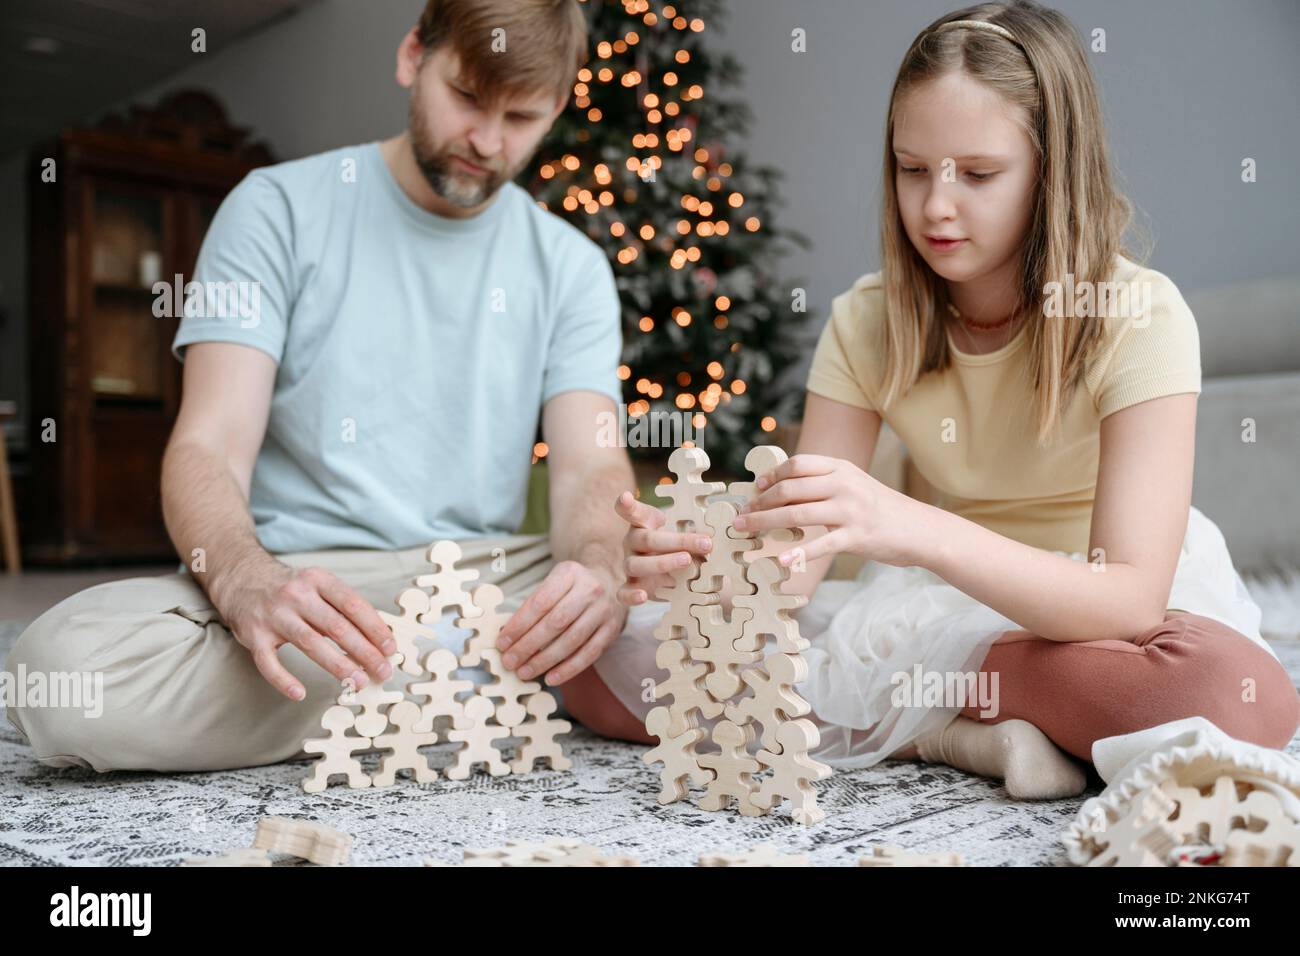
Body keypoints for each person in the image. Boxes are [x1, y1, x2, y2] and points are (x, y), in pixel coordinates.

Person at [602, 1, 1300, 799]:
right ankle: (960, 736)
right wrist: (698, 566)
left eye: (978, 174)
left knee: (1227, 695)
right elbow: (794, 570)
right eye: (911, 168)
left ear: (1052, 166)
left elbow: (1130, 599)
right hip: (942, 613)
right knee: (610, 665)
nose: (935, 205)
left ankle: (933, 711)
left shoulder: (1138, 315)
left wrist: (909, 526)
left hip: (1101, 616)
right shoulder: (867, 320)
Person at [6, 0, 648, 773]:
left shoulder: (570, 267)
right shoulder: (271, 211)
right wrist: (247, 583)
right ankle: (488, 684)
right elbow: (207, 446)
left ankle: (434, 676)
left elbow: (591, 468)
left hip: (484, 574)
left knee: (697, 637)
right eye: (468, 98)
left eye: (522, 117)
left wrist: (600, 574)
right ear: (414, 55)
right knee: (64, 674)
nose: (487, 140)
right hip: (304, 577)